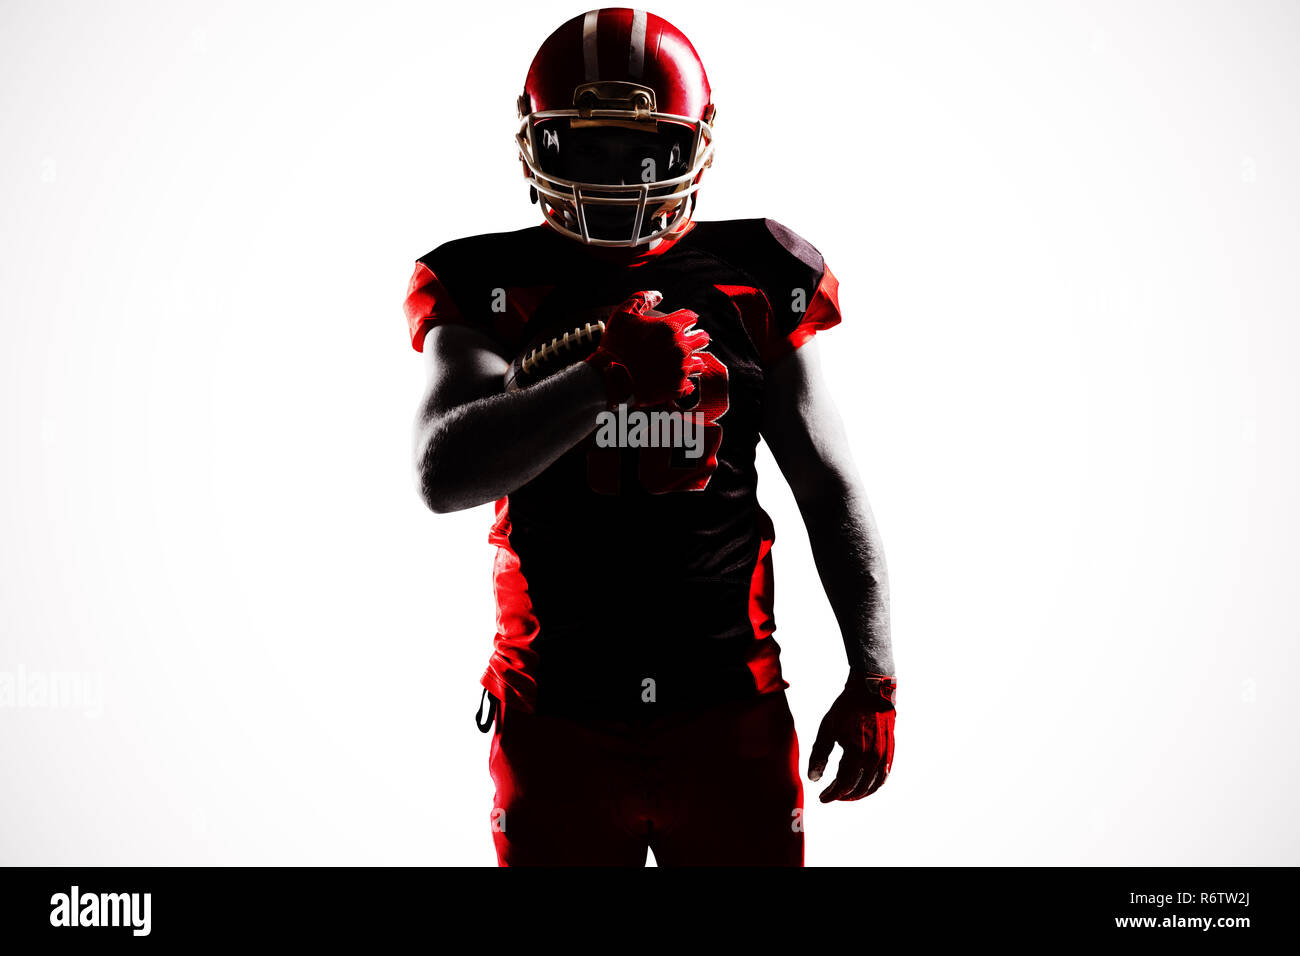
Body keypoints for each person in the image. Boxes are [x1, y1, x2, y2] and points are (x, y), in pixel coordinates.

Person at [405, 8, 897, 866]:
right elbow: (444, 472)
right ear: (537, 143)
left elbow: (828, 487)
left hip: (729, 708)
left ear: (693, 145)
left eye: (641, 150)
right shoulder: (487, 282)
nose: (614, 176)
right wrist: (605, 380)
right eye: (585, 147)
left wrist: (873, 672)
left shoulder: (761, 273)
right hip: (555, 709)